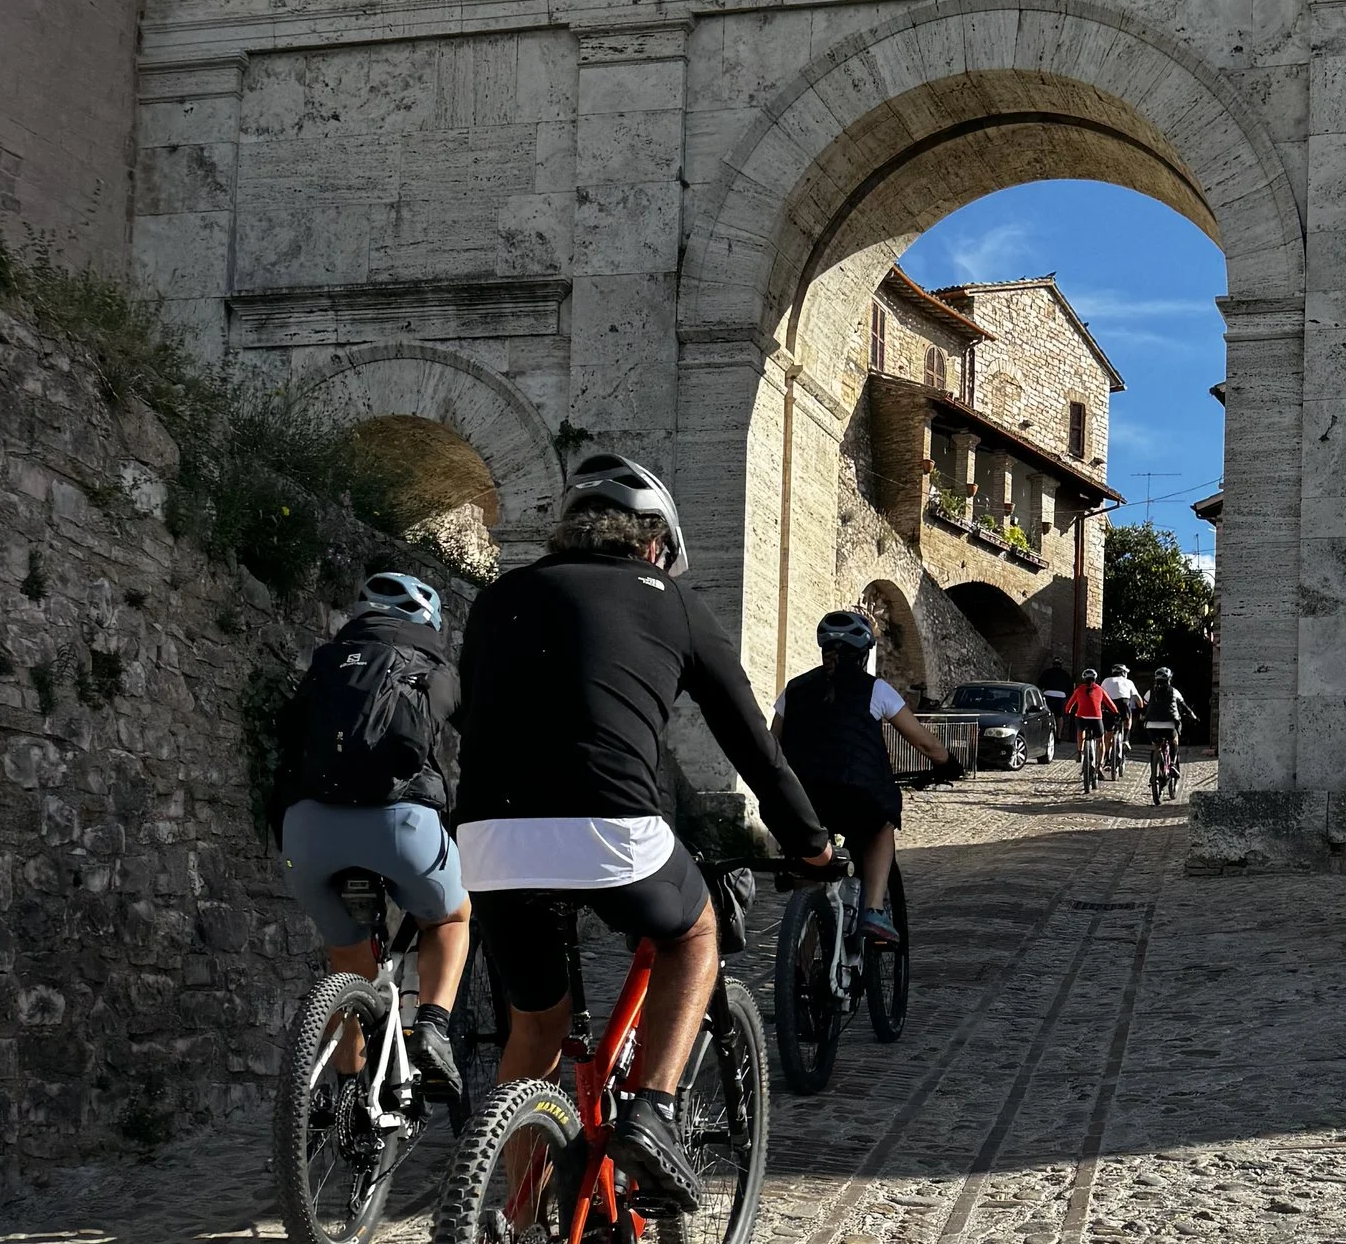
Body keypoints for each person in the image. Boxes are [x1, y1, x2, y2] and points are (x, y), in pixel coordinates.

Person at [453, 454, 837, 1203]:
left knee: (535, 1028)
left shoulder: (498, 595)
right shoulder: (671, 600)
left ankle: (522, 1226)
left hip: (489, 840)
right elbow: (751, 741)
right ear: (655, 544)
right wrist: (810, 841)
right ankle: (655, 1111)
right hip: (611, 828)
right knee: (692, 932)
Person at [270, 569, 473, 1104]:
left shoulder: (323, 665)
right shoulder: (434, 666)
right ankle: (432, 1027)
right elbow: (480, 740)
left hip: (308, 832)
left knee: (348, 959)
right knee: (450, 919)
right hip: (399, 828)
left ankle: (345, 1097)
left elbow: (286, 741)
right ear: (428, 622)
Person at [773, 609, 962, 944]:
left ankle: (801, 974)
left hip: (800, 799)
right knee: (882, 825)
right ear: (864, 654)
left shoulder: (794, 690)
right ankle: (873, 910)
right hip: (855, 794)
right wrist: (949, 765)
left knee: (811, 878)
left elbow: (773, 744)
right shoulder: (875, 689)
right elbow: (923, 742)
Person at [1139, 664, 1193, 784]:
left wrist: (1142, 716)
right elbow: (1184, 706)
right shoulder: (1174, 691)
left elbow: (1144, 706)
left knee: (1156, 745)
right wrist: (1192, 715)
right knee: (1174, 739)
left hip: (1151, 725)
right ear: (1169, 679)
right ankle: (1172, 764)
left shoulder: (1150, 691)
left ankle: (1154, 771)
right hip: (1169, 724)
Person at [1064, 667, 1116, 772]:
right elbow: (1110, 703)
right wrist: (1116, 712)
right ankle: (1099, 766)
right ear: (1095, 679)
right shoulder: (1100, 689)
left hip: (1081, 717)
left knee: (1080, 731)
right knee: (1100, 740)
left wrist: (1067, 712)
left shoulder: (1079, 689)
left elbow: (1070, 704)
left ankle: (1079, 752)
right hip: (1096, 718)